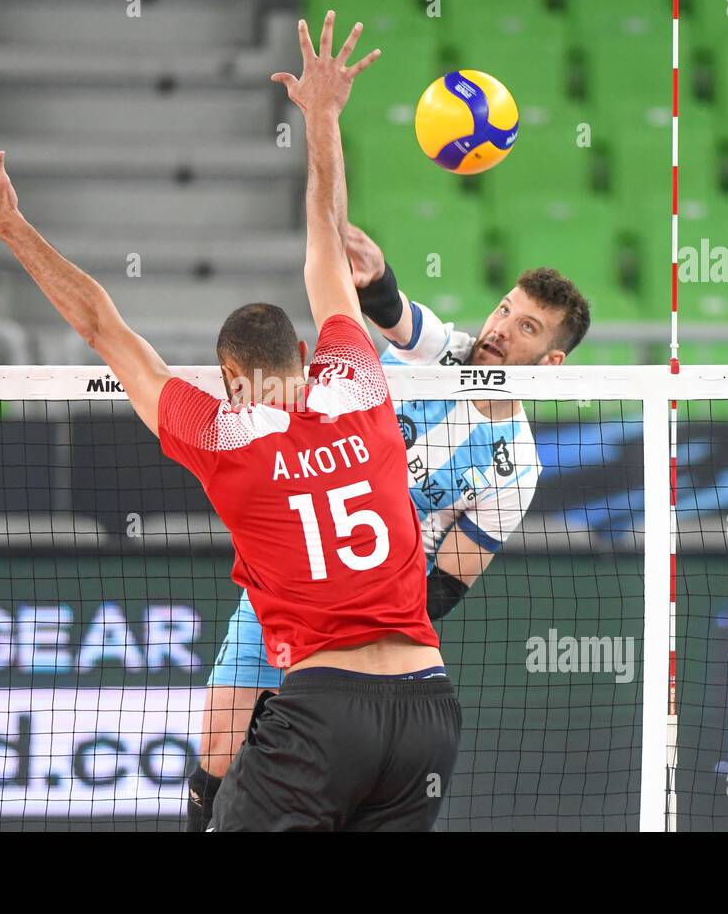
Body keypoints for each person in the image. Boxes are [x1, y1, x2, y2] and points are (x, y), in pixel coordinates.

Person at [0, 11, 461, 831]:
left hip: (325, 713)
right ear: (308, 353)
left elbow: (104, 329)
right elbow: (325, 246)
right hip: (427, 712)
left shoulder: (222, 435)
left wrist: (12, 227)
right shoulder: (359, 381)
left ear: (231, 379)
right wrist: (321, 119)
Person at [188, 229, 592, 831]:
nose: (502, 328)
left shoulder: (517, 466)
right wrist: (376, 276)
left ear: (551, 362)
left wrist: (356, 625)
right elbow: (392, 311)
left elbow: (449, 584)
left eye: (528, 327)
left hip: (370, 616)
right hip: (294, 567)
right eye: (506, 308)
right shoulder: (442, 352)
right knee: (219, 742)